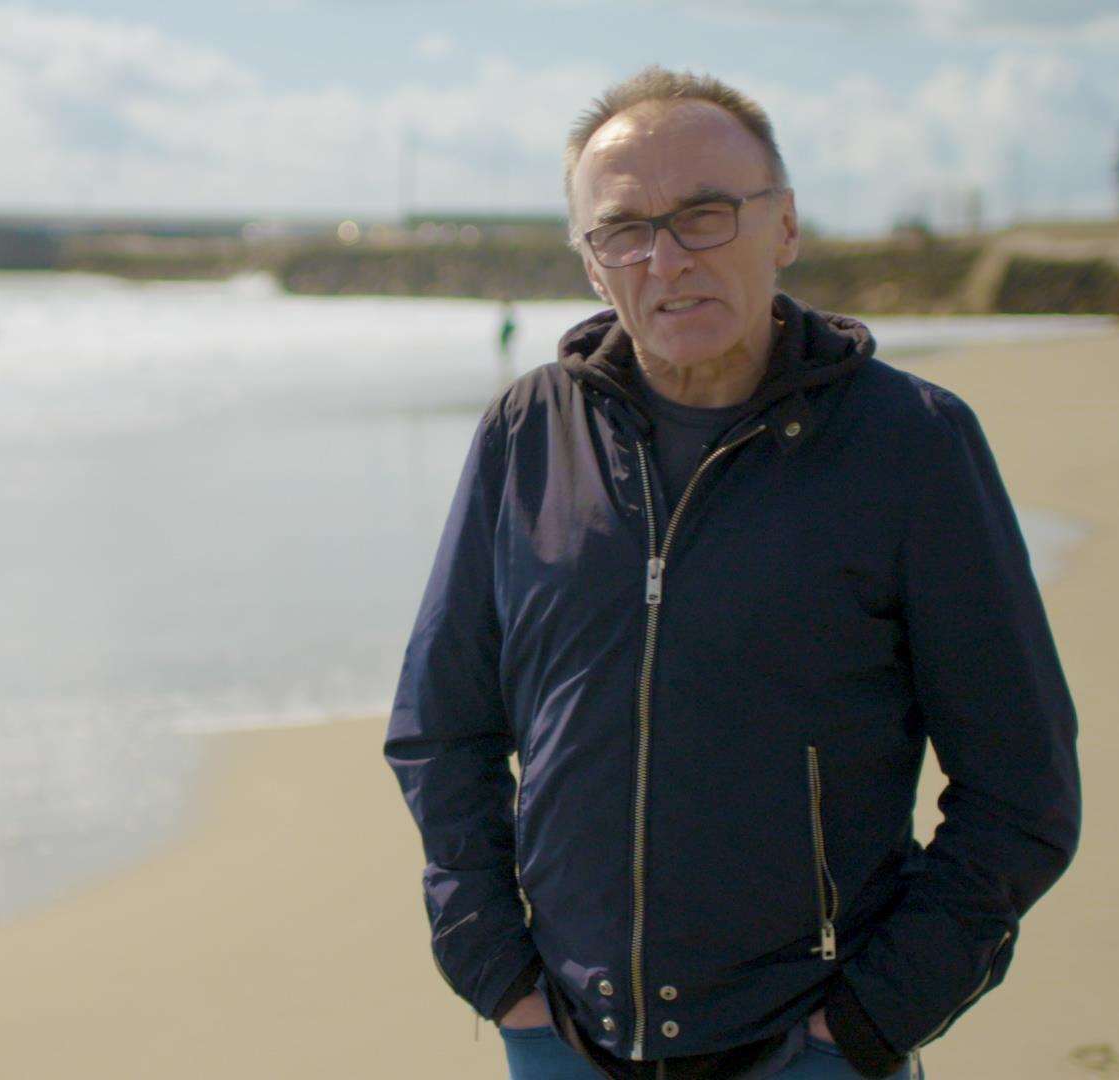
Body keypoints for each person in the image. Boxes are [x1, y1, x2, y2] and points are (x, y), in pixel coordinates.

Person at [384, 67, 1081, 1080]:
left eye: (705, 215)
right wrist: (500, 976)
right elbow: (441, 729)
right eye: (623, 231)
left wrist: (875, 1022)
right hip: (566, 1039)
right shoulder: (526, 433)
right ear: (590, 264)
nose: (666, 259)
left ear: (785, 227)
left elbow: (1022, 789)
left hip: (809, 1047)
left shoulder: (910, 445)